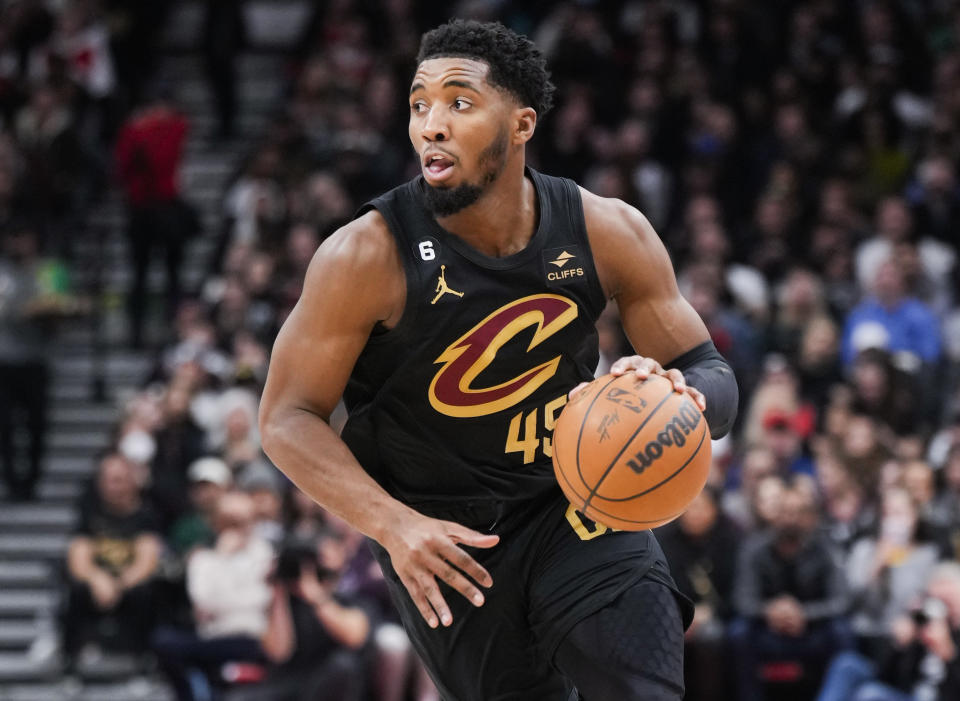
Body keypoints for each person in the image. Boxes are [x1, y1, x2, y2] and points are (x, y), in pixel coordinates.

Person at [259, 20, 738, 701]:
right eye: (419, 104)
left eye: (459, 101)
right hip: (444, 535)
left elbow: (710, 373)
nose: (431, 124)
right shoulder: (363, 256)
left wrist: (678, 393)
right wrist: (392, 525)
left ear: (521, 124)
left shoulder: (606, 229)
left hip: (575, 497)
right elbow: (284, 417)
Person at [63, 452, 161, 663]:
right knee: (76, 590)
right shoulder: (89, 511)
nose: (113, 487)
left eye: (118, 480)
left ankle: (143, 661)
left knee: (145, 593)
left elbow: (147, 561)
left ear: (131, 481)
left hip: (128, 584)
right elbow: (78, 557)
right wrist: (97, 579)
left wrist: (119, 585)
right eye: (108, 480)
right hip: (97, 584)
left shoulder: (146, 515)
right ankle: (70, 662)